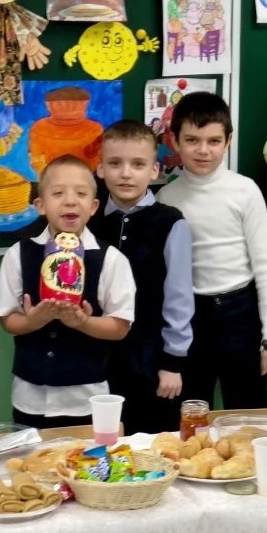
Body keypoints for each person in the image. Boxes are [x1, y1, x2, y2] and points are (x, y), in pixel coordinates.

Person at [0, 155, 135, 429]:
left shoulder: (111, 259)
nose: (70, 201)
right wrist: (33, 321)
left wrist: (83, 322)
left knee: (88, 457)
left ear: (93, 206)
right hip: (30, 397)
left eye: (81, 193)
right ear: (40, 205)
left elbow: (120, 327)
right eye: (58, 193)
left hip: (87, 399)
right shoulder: (18, 254)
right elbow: (7, 318)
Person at [157, 92, 267, 409]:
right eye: (192, 140)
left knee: (247, 411)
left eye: (213, 141)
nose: (203, 150)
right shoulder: (166, 199)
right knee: (191, 410)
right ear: (174, 141)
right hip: (190, 318)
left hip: (241, 314)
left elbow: (266, 265)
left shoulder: (245, 190)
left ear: (228, 141)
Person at [89, 120, 194, 433]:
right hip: (98, 359)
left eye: (137, 164)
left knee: (152, 444)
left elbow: (179, 298)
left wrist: (172, 362)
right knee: (102, 442)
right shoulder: (88, 221)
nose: (126, 173)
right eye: (115, 163)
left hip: (152, 360)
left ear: (154, 170)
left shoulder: (170, 223)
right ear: (100, 168)